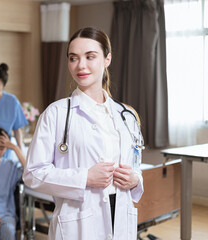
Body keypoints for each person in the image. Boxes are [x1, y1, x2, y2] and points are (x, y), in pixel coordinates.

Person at [23, 27, 145, 240]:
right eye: (73, 58)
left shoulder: (127, 116)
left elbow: (135, 166)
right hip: (78, 223)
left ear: (107, 59)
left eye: (90, 56)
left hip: (121, 217)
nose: (81, 65)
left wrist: (135, 180)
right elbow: (33, 174)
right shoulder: (56, 113)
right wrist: (85, 177)